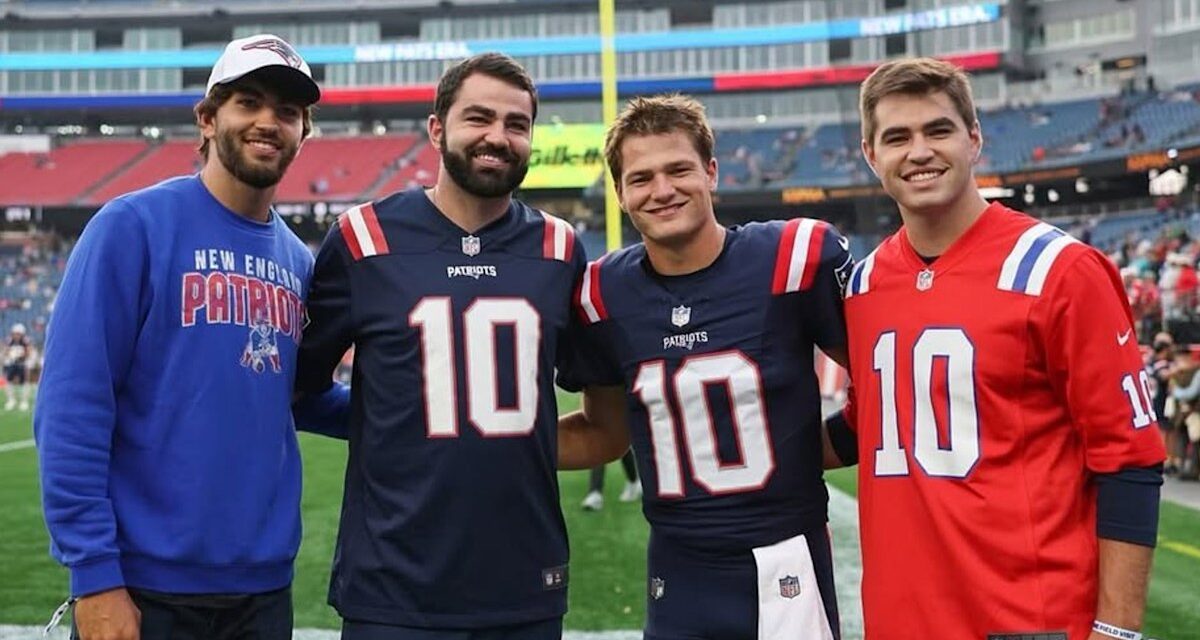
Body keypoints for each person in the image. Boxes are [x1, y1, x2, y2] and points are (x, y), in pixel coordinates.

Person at [840, 57, 1166, 640]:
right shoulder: (863, 284)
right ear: (871, 155)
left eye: (938, 130)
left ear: (974, 139)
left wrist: (1118, 631)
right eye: (897, 137)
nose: (918, 152)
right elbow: (863, 425)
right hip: (899, 621)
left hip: (1027, 621)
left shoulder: (1059, 270)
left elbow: (1130, 460)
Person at [34, 34, 321, 640]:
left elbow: (300, 395)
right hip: (144, 589)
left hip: (264, 589)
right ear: (208, 117)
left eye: (288, 112)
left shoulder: (300, 262)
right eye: (249, 101)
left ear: (304, 132)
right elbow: (72, 408)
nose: (269, 122)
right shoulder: (130, 227)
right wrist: (95, 576)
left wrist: (416, 405)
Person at [293, 52, 586, 640]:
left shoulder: (560, 248)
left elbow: (596, 400)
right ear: (436, 129)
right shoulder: (362, 239)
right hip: (392, 589)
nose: (497, 138)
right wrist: (393, 420)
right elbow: (301, 389)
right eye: (478, 118)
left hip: (523, 583)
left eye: (516, 125)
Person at [557, 94, 852, 640]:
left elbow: (885, 383)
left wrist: (817, 449)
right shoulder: (603, 293)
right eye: (641, 178)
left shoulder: (791, 258)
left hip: (783, 560)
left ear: (711, 172)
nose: (662, 190)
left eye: (678, 170)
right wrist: (489, 447)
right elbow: (604, 435)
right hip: (677, 568)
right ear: (620, 194)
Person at [3, 322, 32, 411]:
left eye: (18, 333)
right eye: (15, 333)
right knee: (9, 381)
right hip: (12, 363)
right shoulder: (10, 340)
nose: (16, 335)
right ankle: (11, 400)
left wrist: (20, 355)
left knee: (24, 382)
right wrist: (10, 355)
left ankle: (24, 401)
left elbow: (28, 352)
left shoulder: (25, 341)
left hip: (22, 363)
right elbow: (5, 351)